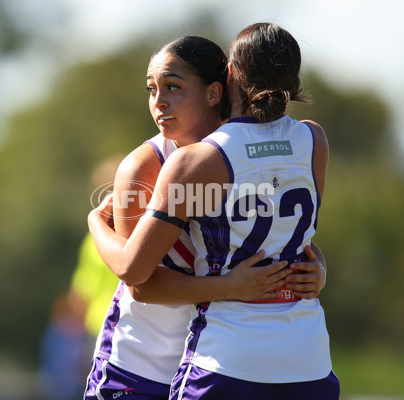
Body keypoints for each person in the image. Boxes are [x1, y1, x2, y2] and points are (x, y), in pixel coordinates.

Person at [88, 23, 339, 399]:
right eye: (152, 89)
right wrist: (228, 287)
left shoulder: (231, 150)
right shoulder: (141, 167)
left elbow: (283, 235)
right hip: (142, 364)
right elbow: (138, 281)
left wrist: (316, 268)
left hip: (210, 355)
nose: (159, 101)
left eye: (173, 87)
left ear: (216, 90)